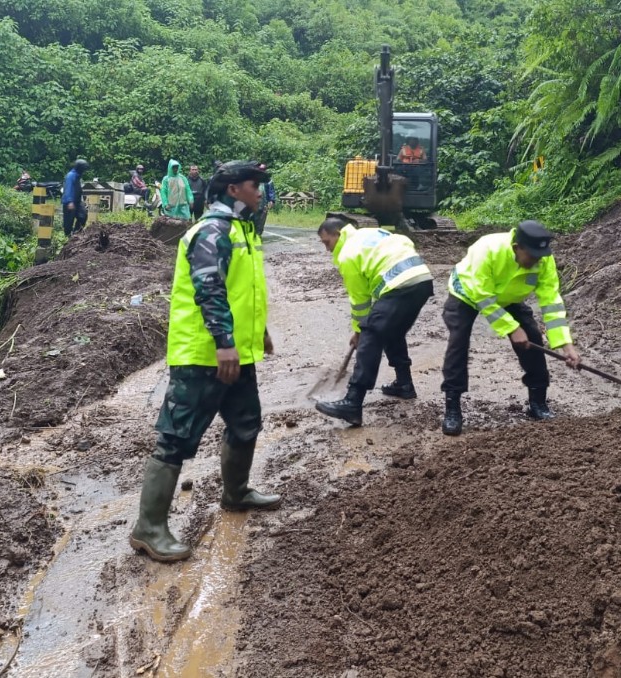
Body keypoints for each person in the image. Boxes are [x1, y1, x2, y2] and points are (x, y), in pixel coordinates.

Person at [129, 160, 280, 563]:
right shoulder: (212, 230)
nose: (260, 192)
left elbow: (244, 290)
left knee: (246, 423)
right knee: (176, 438)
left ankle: (236, 493)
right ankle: (149, 529)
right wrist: (224, 343)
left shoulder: (241, 231)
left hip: (237, 354)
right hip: (204, 355)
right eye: (254, 185)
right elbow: (209, 289)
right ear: (233, 190)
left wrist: (258, 330)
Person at [440, 221, 581, 436]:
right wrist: (511, 328)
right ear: (516, 248)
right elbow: (482, 297)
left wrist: (565, 343)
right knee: (458, 341)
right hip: (468, 293)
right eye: (531, 257)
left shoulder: (542, 259)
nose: (536, 262)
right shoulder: (487, 249)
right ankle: (453, 408)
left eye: (539, 257)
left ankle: (538, 402)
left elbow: (551, 301)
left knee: (532, 337)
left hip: (508, 297)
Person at [314, 214, 434, 427]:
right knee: (390, 330)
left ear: (338, 234)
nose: (327, 249)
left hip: (400, 284)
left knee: (372, 332)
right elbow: (405, 242)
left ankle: (353, 401)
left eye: (327, 242)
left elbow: (360, 301)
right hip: (421, 279)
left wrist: (359, 332)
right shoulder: (370, 233)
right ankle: (404, 384)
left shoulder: (347, 255)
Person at [61, 158, 89, 237]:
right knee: (68, 222)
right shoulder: (71, 176)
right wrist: (70, 201)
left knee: (83, 215)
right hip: (69, 202)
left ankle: (77, 233)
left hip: (77, 202)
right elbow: (68, 189)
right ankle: (68, 237)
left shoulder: (78, 176)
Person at [252, 163, 276, 236]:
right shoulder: (253, 179)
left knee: (261, 222)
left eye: (263, 170)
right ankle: (253, 235)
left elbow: (271, 191)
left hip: (264, 204)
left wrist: (272, 200)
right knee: (253, 221)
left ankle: (258, 235)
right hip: (254, 204)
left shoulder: (268, 181)